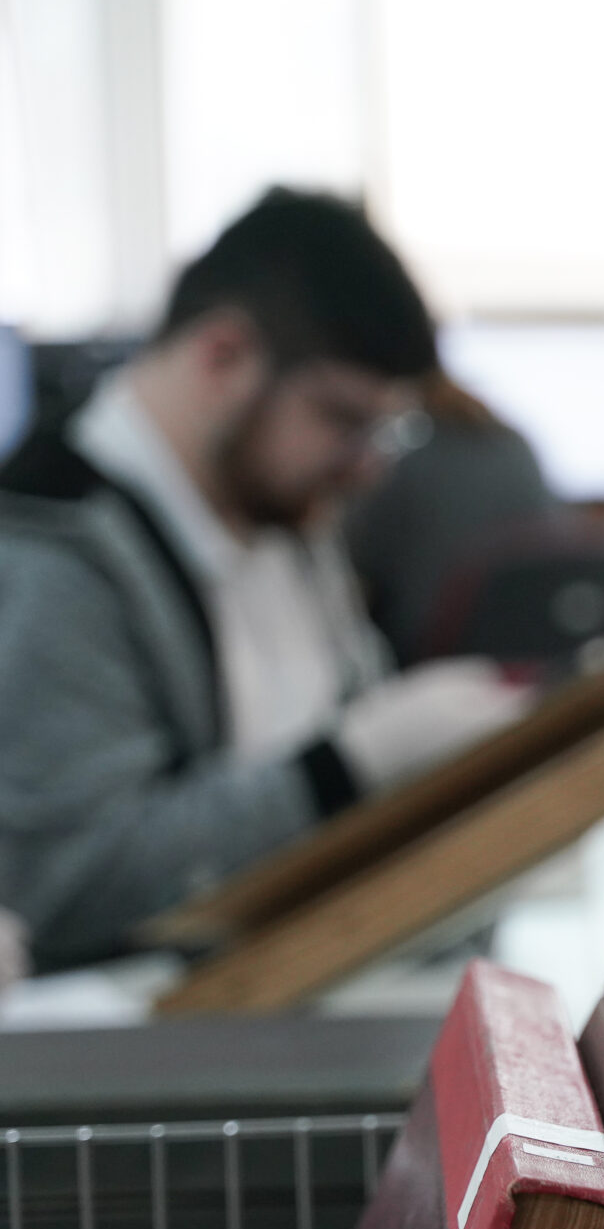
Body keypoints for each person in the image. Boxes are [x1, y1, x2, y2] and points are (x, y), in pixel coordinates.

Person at [0, 188, 530, 972]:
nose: (370, 465)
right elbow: (69, 888)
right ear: (222, 357)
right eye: (344, 420)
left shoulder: (281, 504)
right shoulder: (56, 550)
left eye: (387, 429)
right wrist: (347, 764)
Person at [343, 368, 558, 664]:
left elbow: (359, 566)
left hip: (429, 663)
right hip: (525, 656)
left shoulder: (402, 459)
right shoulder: (516, 446)